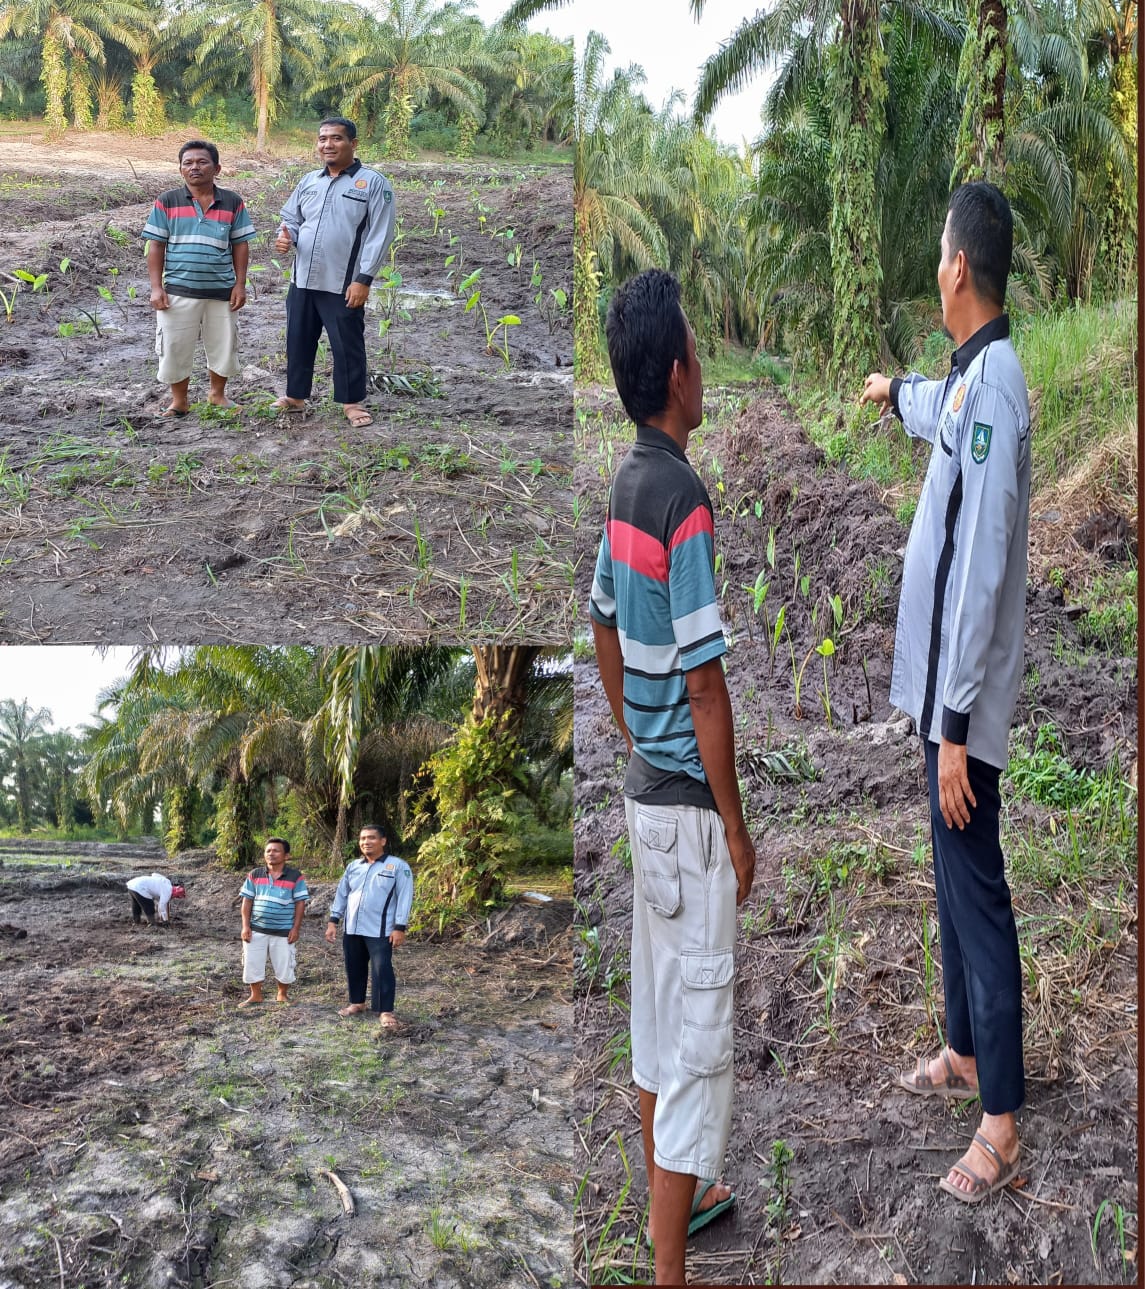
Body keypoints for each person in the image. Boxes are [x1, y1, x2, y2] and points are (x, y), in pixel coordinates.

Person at [860, 181, 1030, 1204]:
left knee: (975, 889)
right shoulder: (969, 380)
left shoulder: (999, 385)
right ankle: (964, 1048)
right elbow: (937, 411)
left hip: (957, 705)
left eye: (935, 251)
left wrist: (957, 724)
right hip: (936, 699)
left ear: (956, 267)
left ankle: (999, 1119)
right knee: (944, 873)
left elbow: (980, 561)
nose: (934, 264)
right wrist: (894, 392)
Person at [588, 267, 757, 1285]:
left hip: (646, 798)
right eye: (696, 350)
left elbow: (601, 619)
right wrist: (734, 824)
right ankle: (666, 1268)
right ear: (679, 373)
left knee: (656, 1024)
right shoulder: (681, 499)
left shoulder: (622, 483)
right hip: (689, 818)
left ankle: (681, 1200)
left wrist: (625, 728)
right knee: (694, 1053)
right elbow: (705, 680)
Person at [270, 117, 397, 429]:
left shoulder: (373, 183)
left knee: (346, 342)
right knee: (298, 337)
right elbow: (292, 218)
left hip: (343, 282)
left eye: (336, 138)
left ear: (353, 144)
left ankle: (352, 402)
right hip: (302, 278)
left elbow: (380, 235)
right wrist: (287, 237)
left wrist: (363, 279)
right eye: (322, 139)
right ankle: (295, 396)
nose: (327, 144)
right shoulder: (310, 181)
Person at [141, 140, 256, 418]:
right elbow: (156, 245)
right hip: (178, 291)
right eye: (188, 162)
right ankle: (179, 401)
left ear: (216, 168)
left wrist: (240, 285)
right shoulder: (167, 201)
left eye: (202, 162)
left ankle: (217, 396)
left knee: (223, 344)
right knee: (175, 346)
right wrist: (156, 287)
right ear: (180, 169)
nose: (195, 167)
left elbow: (240, 245)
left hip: (222, 291)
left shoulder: (232, 202)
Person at [325, 823, 412, 1034]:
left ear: (383, 841)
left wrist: (399, 927)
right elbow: (342, 894)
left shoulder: (398, 866)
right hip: (353, 927)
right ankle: (357, 1002)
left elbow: (405, 898)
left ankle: (385, 1011)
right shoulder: (354, 866)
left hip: (381, 930)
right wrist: (333, 920)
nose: (366, 842)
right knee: (354, 965)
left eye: (372, 838)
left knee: (382, 969)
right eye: (363, 838)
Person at [239, 837, 310, 1006]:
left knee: (284, 963)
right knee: (252, 962)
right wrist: (245, 926)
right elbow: (247, 901)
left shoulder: (295, 876)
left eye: (276, 850)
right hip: (257, 929)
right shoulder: (255, 874)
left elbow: (300, 903)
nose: (271, 853)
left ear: (286, 855)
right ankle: (256, 995)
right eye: (268, 850)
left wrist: (296, 928)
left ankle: (282, 995)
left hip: (284, 931)